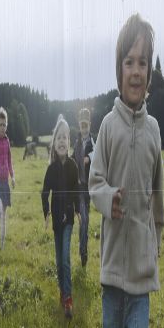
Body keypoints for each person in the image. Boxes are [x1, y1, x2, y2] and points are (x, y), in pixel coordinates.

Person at [88, 13, 164, 328]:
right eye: (129, 62)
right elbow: (94, 181)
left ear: (150, 72)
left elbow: (158, 196)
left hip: (142, 269)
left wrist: (158, 237)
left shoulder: (153, 129)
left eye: (143, 63)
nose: (136, 71)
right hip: (113, 267)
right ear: (119, 69)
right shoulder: (107, 127)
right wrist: (107, 199)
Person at [41, 115, 80, 319]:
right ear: (54, 143)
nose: (62, 141)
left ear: (69, 141)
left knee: (65, 258)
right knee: (58, 262)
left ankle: (68, 298)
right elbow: (44, 192)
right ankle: (62, 293)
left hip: (68, 222)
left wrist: (78, 211)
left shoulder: (73, 166)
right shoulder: (51, 169)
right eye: (59, 138)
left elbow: (77, 189)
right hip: (56, 220)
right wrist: (46, 212)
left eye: (65, 137)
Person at [72, 107, 95, 268]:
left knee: (85, 221)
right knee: (84, 219)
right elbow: (72, 160)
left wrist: (89, 157)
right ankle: (83, 252)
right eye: (82, 125)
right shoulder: (77, 142)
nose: (84, 128)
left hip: (89, 188)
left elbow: (99, 154)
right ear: (79, 126)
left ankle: (83, 249)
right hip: (79, 187)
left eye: (86, 125)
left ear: (90, 125)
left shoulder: (93, 142)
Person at [0, 107, 15, 250]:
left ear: (6, 126)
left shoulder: (7, 142)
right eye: (0, 124)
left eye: (4, 124)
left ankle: (3, 244)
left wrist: (13, 177)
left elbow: (10, 161)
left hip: (6, 184)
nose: (2, 127)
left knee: (4, 214)